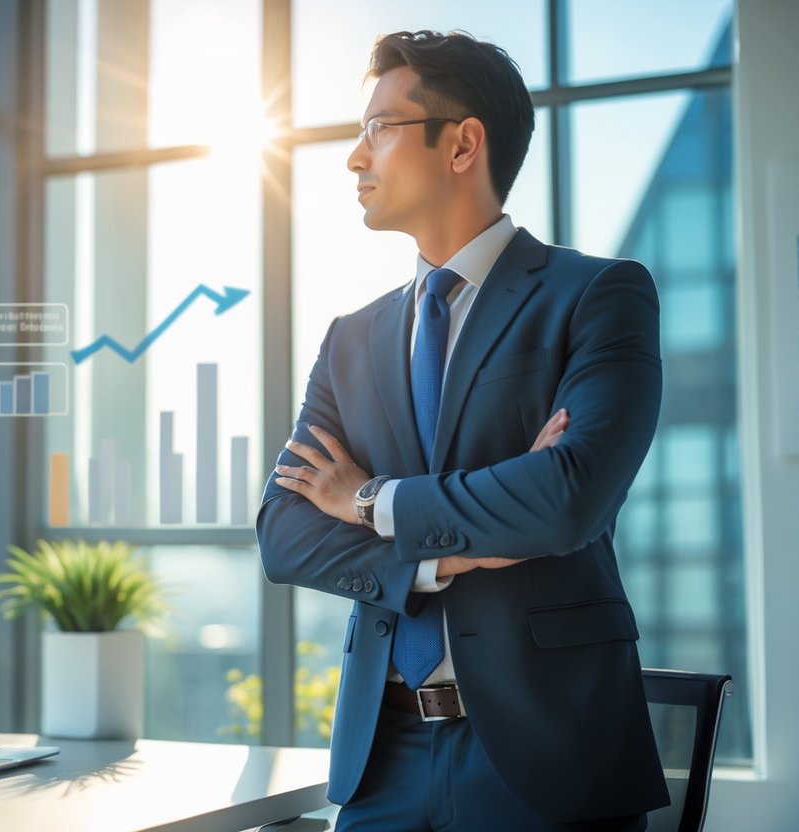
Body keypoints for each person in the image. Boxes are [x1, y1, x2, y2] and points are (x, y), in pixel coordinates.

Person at [257, 30, 670, 832]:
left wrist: (370, 501)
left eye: (379, 128)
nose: (354, 157)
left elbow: (564, 501)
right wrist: (450, 552)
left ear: (461, 144)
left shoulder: (596, 296)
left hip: (546, 757)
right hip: (382, 758)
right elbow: (285, 535)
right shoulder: (350, 339)